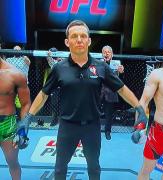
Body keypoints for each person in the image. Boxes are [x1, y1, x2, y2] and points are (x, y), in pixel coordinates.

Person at [24, 20, 147, 180]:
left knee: (94, 168)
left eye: (83, 36)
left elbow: (122, 89)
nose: (79, 39)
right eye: (74, 36)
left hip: (92, 126)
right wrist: (28, 117)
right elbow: (44, 93)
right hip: (67, 126)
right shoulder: (59, 68)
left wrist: (139, 109)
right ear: (67, 42)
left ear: (89, 40)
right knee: (60, 168)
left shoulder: (101, 67)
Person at [132, 31, 163, 180]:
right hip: (159, 133)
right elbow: (144, 102)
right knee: (146, 170)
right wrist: (139, 127)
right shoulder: (158, 75)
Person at [0, 57, 31, 180]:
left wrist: (23, 128)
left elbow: (26, 103)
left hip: (8, 124)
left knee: (12, 161)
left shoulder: (15, 74)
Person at [101, 45, 124, 140]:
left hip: (110, 93)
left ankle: (107, 131)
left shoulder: (117, 64)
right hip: (98, 92)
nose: (106, 53)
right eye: (104, 52)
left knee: (109, 114)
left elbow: (119, 82)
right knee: (93, 111)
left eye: (108, 52)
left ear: (112, 54)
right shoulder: (98, 63)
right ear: (102, 54)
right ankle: (92, 130)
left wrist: (121, 73)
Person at [6, 45, 31, 119]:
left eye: (18, 50)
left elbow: (29, 62)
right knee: (11, 103)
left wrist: (23, 54)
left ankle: (22, 119)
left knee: (22, 103)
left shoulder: (24, 59)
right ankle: (13, 119)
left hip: (23, 85)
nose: (17, 51)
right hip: (11, 85)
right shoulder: (9, 60)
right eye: (15, 50)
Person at [46, 47, 62, 126]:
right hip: (55, 86)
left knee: (64, 104)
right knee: (54, 104)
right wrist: (49, 55)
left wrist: (61, 59)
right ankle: (54, 120)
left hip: (63, 85)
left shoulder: (63, 60)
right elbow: (49, 58)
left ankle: (63, 120)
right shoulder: (52, 62)